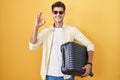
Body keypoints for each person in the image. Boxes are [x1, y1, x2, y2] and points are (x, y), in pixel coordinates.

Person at [29, 1, 94, 80]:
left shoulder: (72, 30)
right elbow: (32, 46)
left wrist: (89, 63)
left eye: (61, 12)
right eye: (55, 12)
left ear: (64, 13)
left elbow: (90, 45)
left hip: (67, 76)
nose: (58, 14)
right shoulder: (46, 32)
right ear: (52, 13)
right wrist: (36, 27)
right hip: (49, 75)